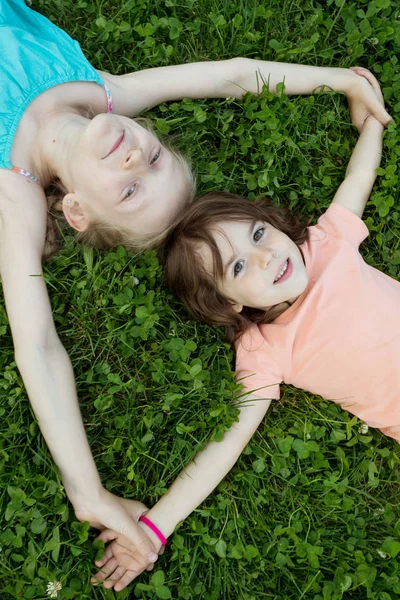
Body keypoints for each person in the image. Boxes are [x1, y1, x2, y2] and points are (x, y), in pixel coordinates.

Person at [0, 0, 392, 576]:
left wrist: (89, 493)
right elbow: (228, 74)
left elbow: (37, 342)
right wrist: (335, 81)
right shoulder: (106, 95)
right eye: (153, 159)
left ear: (77, 211)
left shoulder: (16, 195)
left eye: (129, 190)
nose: (135, 156)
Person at [91, 68, 396, 590]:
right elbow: (224, 448)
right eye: (237, 268)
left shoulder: (325, 243)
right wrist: (156, 528)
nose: (264, 256)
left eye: (257, 233)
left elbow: (357, 182)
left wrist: (372, 121)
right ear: (227, 304)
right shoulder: (263, 351)